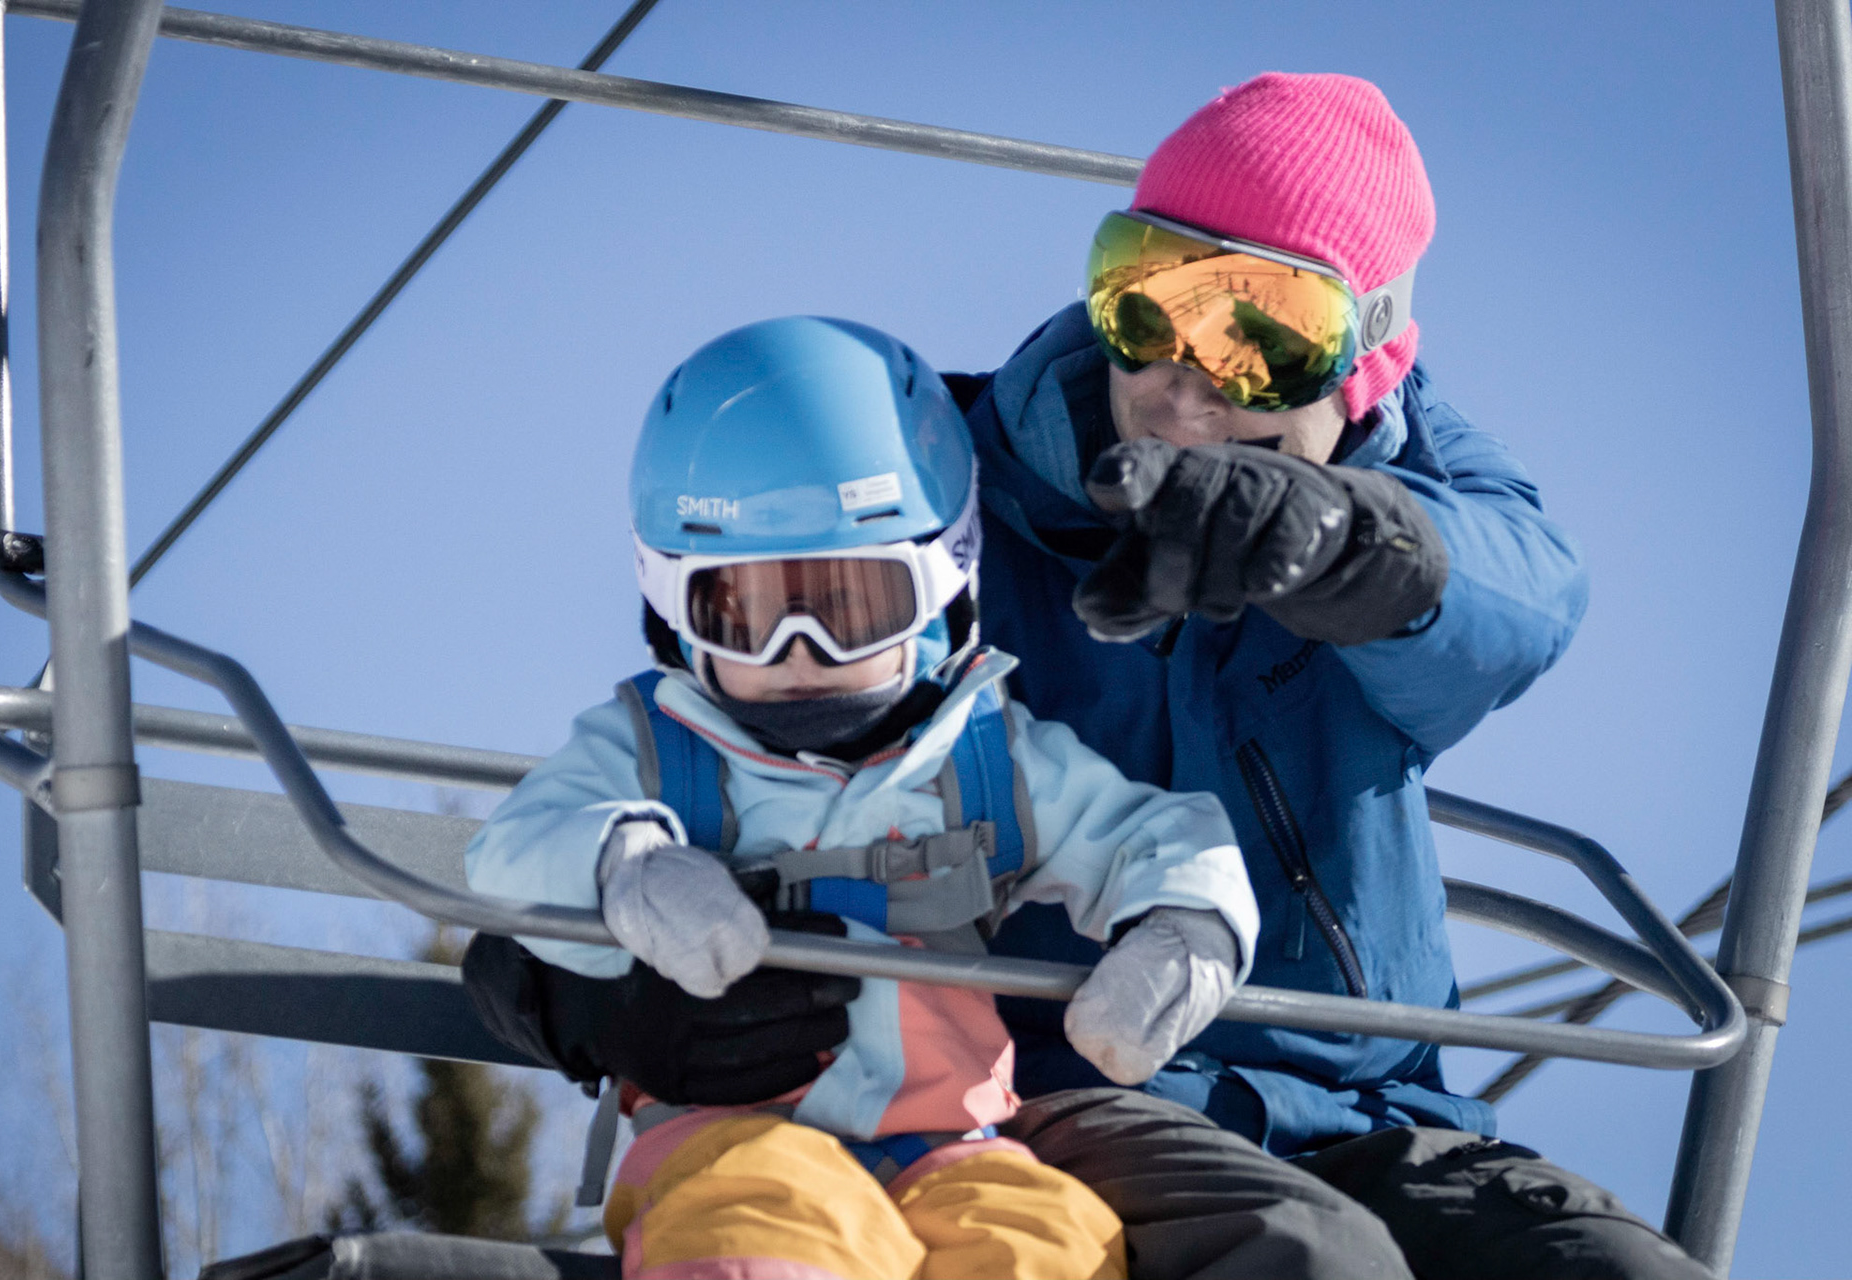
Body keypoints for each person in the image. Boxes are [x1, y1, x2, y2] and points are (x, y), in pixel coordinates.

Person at [468, 73, 1715, 1280]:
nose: (1181, 383)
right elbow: (715, 727)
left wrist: (1349, 547)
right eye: (1145, 300)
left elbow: (1522, 602)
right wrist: (580, 990)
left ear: (1369, 362)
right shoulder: (948, 490)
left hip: (1382, 1102)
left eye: (1262, 336)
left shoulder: (1420, 507)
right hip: (1062, 1093)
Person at [463, 316, 1262, 1280]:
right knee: (761, 1228)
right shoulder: (653, 747)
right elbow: (515, 849)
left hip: (959, 1143)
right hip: (736, 1133)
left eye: (850, 608)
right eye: (747, 613)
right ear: (671, 607)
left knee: (1050, 1238)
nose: (799, 654)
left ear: (944, 580)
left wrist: (1184, 931)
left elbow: (1153, 834)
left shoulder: (984, 759)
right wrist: (627, 865)